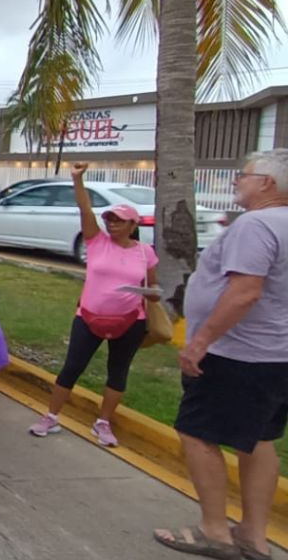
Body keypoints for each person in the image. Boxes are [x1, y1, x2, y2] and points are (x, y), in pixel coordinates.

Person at [154, 150, 288, 560]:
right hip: (276, 356)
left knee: (197, 433)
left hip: (238, 354)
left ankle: (215, 530)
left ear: (267, 183)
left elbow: (244, 291)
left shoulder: (257, 224)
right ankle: (253, 534)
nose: (236, 182)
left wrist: (201, 340)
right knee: (259, 440)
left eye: (243, 176)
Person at [28, 163, 158, 447]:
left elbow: (152, 286)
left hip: (130, 320)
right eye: (110, 219)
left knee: (118, 370)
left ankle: (103, 422)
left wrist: (154, 295)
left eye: (119, 220)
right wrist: (78, 179)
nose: (112, 223)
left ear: (133, 226)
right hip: (88, 317)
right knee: (72, 366)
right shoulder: (97, 241)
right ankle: (51, 416)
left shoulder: (145, 253)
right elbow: (85, 209)